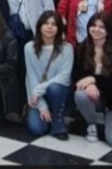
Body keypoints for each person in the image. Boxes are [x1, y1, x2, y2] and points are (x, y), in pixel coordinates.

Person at [73, 13, 112, 148]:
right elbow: (76, 78)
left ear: (108, 30)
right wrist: (88, 83)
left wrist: (93, 80)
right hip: (96, 97)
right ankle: (92, 124)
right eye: (93, 25)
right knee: (80, 94)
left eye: (102, 27)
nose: (96, 29)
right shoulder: (82, 49)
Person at [24, 11, 74, 140]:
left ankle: (57, 120)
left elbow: (64, 77)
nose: (50, 27)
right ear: (40, 26)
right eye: (46, 23)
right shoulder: (29, 48)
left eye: (54, 24)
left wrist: (39, 90)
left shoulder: (67, 48)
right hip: (38, 96)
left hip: (58, 92)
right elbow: (31, 78)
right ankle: (48, 114)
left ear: (59, 29)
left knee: (55, 87)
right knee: (37, 129)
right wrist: (42, 106)